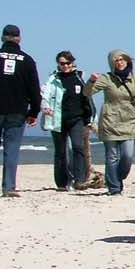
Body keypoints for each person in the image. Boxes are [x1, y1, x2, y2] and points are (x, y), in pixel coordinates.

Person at [0, 23, 41, 197]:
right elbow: (34, 89)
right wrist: (34, 112)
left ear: (2, 38)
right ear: (19, 38)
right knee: (12, 148)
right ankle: (9, 187)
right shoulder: (27, 60)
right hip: (17, 110)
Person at [84, 51, 135, 196]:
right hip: (111, 119)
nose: (120, 62)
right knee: (112, 156)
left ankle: (116, 177)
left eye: (122, 60)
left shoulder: (133, 77)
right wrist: (91, 81)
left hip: (128, 120)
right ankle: (114, 187)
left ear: (127, 61)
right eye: (116, 60)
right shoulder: (106, 78)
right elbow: (87, 92)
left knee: (127, 155)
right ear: (112, 63)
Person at [41, 50, 95, 191]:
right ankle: (62, 183)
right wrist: (45, 107)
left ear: (72, 63)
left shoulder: (79, 77)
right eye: (62, 63)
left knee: (78, 147)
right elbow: (45, 95)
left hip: (76, 118)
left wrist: (89, 118)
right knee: (60, 152)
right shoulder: (53, 78)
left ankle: (80, 180)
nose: (65, 66)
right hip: (57, 119)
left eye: (67, 63)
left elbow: (87, 97)